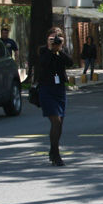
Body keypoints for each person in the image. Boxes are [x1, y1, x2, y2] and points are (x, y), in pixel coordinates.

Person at [37, 27, 72, 167]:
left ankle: (53, 150)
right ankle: (56, 154)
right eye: (52, 38)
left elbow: (70, 63)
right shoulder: (43, 51)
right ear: (47, 39)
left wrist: (60, 49)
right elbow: (43, 63)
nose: (55, 40)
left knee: (60, 122)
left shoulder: (61, 52)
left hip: (59, 90)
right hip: (46, 89)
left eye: (57, 38)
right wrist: (51, 49)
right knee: (56, 121)